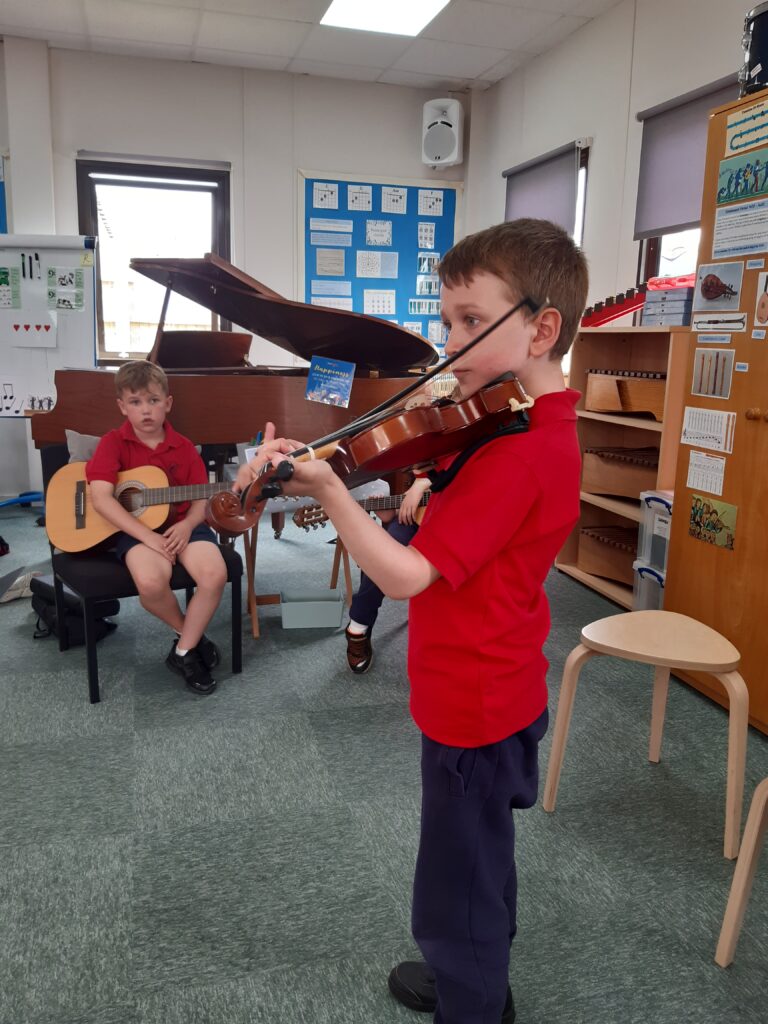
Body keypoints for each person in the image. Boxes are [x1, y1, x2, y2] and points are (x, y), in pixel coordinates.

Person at [236, 218, 588, 1024]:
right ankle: (477, 972)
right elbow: (465, 520)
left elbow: (403, 575)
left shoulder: (519, 452)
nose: (449, 344)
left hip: (473, 699)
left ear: (541, 328)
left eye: (471, 322)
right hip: (495, 682)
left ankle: (472, 999)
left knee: (456, 874)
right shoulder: (524, 422)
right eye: (447, 321)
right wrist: (352, 473)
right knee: (481, 857)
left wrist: (328, 490)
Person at [87, 360, 227, 695]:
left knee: (214, 575)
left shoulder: (183, 447)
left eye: (152, 401)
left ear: (168, 403)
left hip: (184, 526)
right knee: (150, 583)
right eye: (135, 402)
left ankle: (182, 653)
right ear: (122, 406)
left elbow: (200, 499)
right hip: (135, 530)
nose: (145, 411)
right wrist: (147, 537)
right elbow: (102, 500)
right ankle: (192, 640)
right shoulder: (113, 443)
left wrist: (189, 524)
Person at [345, 474, 431, 673]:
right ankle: (358, 627)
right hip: (417, 512)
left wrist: (424, 483)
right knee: (382, 556)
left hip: (460, 510)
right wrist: (390, 516)